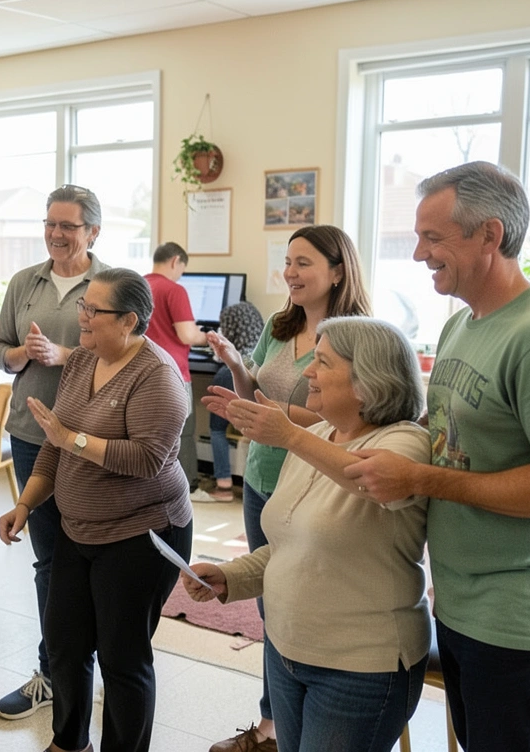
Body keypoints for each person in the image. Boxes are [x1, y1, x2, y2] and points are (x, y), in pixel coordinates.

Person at [343, 162, 530, 751]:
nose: (417, 254)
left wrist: (421, 478)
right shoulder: (464, 324)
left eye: (434, 238)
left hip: (523, 615)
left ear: (490, 234)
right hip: (464, 599)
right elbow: (450, 431)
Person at [190, 317, 431, 752]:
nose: (307, 372)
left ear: (366, 382)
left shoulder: (406, 443)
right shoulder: (318, 434)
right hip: (287, 653)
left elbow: (368, 479)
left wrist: (289, 435)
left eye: (322, 362)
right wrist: (230, 575)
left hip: (360, 667)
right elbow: (288, 545)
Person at [0, 268, 193, 752]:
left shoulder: (158, 376)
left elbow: (149, 459)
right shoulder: (84, 359)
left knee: (122, 659)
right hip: (78, 528)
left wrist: (73, 440)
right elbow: (54, 442)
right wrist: (26, 502)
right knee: (65, 645)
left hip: (143, 533)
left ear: (128, 320)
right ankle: (69, 743)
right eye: (83, 306)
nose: (81, 316)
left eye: (93, 310)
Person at [201, 224, 370, 752]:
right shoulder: (280, 325)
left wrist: (277, 417)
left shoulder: (358, 336)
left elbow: (351, 420)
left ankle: (294, 723)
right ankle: (271, 726)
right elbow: (256, 393)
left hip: (316, 482)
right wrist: (235, 367)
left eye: (304, 263)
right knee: (269, 601)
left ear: (337, 270)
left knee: (300, 603)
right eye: (288, 262)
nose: (290, 273)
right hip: (262, 477)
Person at [0, 183, 111, 720]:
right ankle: (54, 672)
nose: (56, 234)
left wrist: (65, 354)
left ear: (92, 232)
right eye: (50, 223)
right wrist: (21, 354)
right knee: (48, 563)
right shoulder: (25, 282)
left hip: (93, 441)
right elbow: (0, 350)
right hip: (31, 436)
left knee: (92, 561)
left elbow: (126, 353)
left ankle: (96, 667)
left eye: (68, 225)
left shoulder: (110, 286)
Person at [143, 241, 210, 498]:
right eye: (182, 269)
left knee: (149, 432)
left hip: (141, 373)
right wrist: (208, 337)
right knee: (184, 431)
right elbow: (186, 334)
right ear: (175, 261)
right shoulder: (174, 290)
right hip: (173, 374)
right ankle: (189, 487)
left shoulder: (137, 284)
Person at [205, 301, 264, 500]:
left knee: (217, 429)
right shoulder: (263, 356)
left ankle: (223, 485)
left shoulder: (233, 365)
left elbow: (226, 359)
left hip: (227, 376)